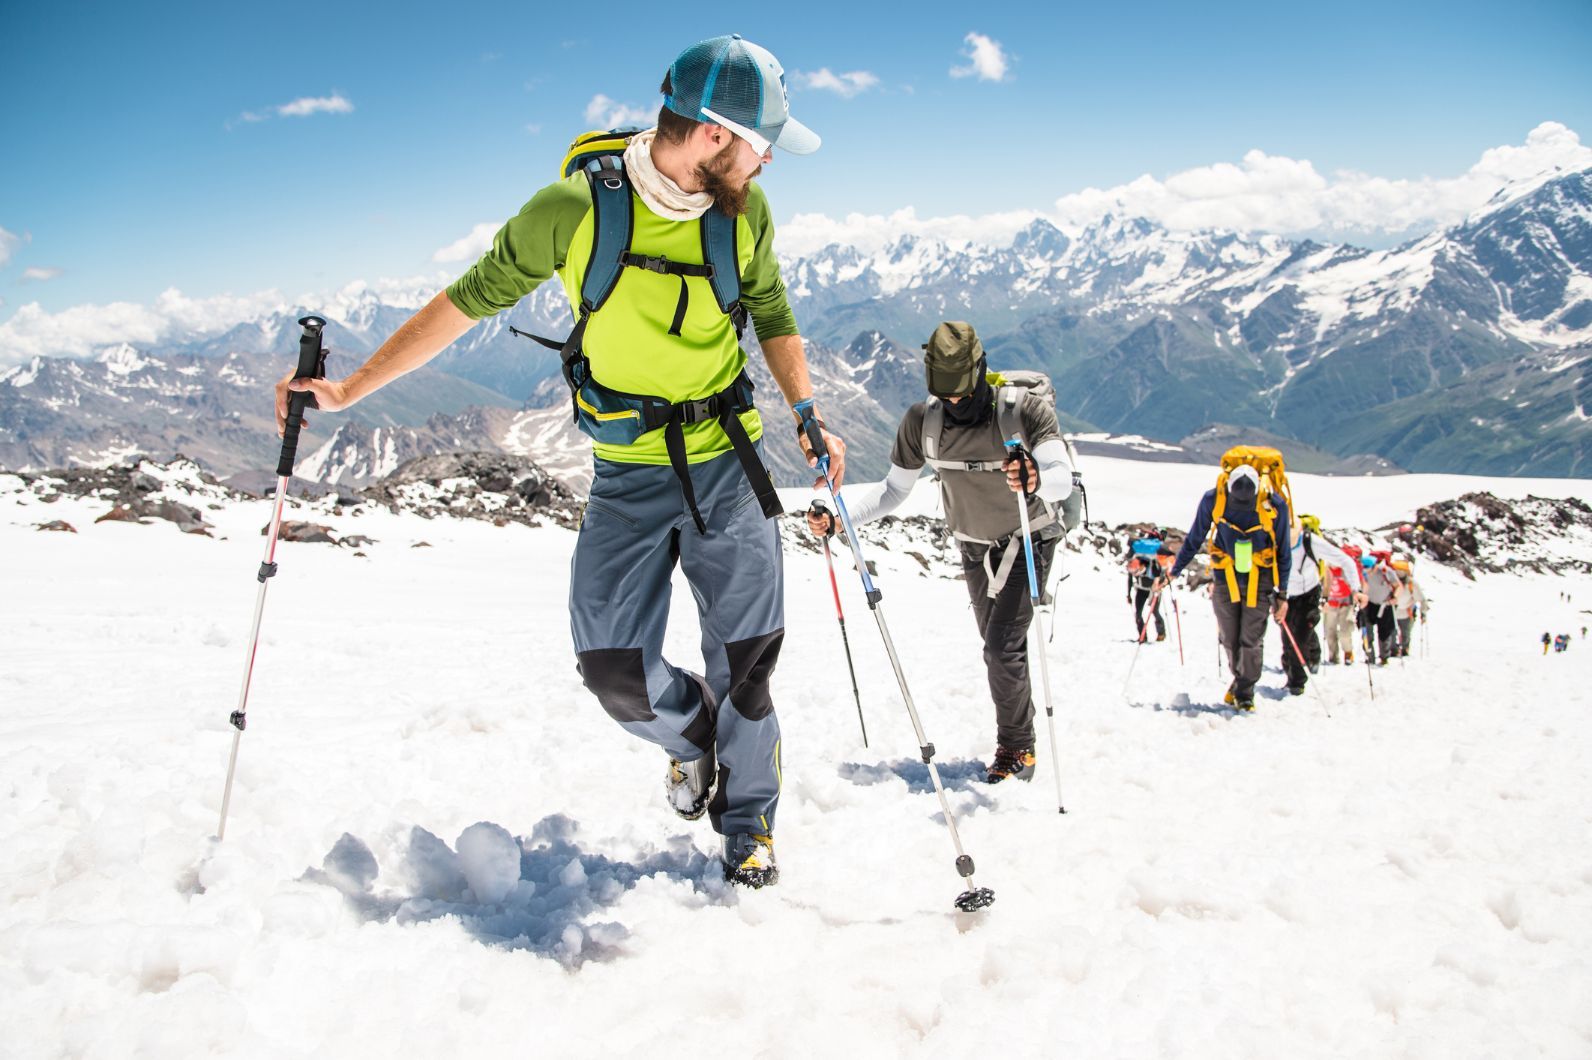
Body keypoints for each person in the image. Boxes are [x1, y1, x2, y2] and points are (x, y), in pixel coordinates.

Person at [273, 35, 844, 889]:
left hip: (728, 460)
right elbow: (465, 300)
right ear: (716, 138)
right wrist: (352, 389)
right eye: (763, 144)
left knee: (750, 664)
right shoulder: (575, 211)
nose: (768, 164)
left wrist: (805, 408)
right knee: (612, 667)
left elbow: (769, 308)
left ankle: (748, 820)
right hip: (627, 472)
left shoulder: (744, 214)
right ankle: (693, 737)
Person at [806, 322, 1074, 784]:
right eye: (943, 393)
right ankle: (1018, 736)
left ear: (980, 373)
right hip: (972, 545)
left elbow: (1060, 476)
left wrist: (1033, 477)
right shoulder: (921, 423)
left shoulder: (1024, 412)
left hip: (1030, 539)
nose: (953, 403)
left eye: (961, 393)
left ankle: (1017, 749)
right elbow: (893, 491)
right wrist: (838, 519)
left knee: (1001, 648)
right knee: (999, 647)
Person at [1165, 461, 1291, 711]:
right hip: (1231, 577)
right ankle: (1242, 683)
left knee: (1249, 639)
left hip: (1250, 578)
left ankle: (1245, 691)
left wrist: (1282, 593)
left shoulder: (1268, 504)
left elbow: (1194, 538)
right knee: (1231, 638)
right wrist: (1282, 592)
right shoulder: (1267, 503)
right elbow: (1284, 552)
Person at [1282, 514, 1364, 693]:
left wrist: (1356, 589)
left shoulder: (1310, 542)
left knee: (1301, 636)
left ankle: (1297, 682)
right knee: (1287, 638)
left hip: (1308, 594)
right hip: (1285, 595)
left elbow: (1345, 561)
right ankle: (1293, 674)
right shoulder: (1274, 541)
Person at [1323, 543, 1364, 664]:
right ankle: (1333, 656)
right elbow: (1326, 585)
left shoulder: (1347, 569)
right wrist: (1324, 599)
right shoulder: (1328, 569)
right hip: (1331, 603)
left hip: (1346, 604)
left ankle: (1348, 653)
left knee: (1345, 631)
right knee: (1330, 631)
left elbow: (1354, 586)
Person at [1360, 551, 1403, 665]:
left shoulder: (1385, 572)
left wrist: (1394, 597)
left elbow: (1398, 586)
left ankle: (1384, 657)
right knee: (1367, 631)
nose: (1365, 569)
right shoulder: (1362, 574)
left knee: (1384, 632)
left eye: (1367, 567)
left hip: (1385, 604)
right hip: (1369, 604)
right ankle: (1369, 656)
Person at [1126, 535, 1170, 642]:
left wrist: (1158, 587)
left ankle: (1159, 635)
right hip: (1145, 589)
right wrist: (1128, 594)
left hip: (1151, 589)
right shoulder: (1138, 562)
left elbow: (1159, 576)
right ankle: (1145, 636)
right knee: (1142, 613)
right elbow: (1130, 579)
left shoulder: (1149, 564)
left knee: (1152, 611)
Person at [1391, 558, 1427, 658]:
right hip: (1393, 611)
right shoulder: (1391, 581)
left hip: (1407, 612)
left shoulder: (1411, 584)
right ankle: (1394, 649)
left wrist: (1423, 613)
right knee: (1393, 632)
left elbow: (1422, 599)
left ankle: (1403, 649)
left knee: (1405, 633)